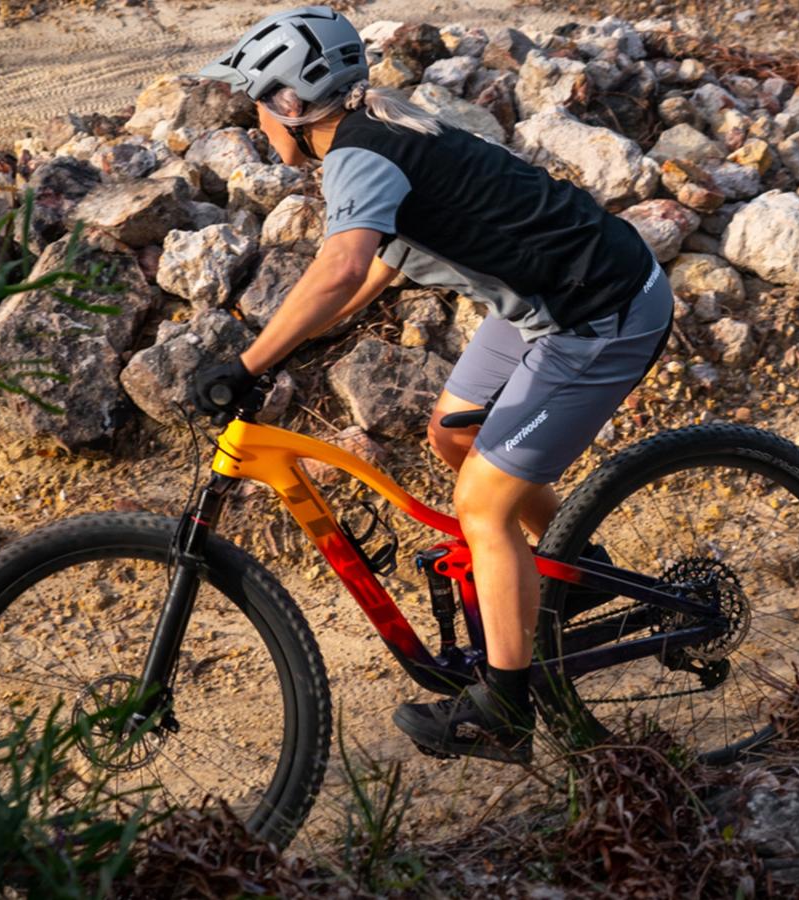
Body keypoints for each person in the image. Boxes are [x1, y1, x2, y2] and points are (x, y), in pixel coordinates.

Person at [191, 6, 674, 763]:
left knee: (482, 503)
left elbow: (342, 268)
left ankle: (504, 711)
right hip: (547, 300)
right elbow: (374, 272)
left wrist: (248, 364)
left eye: (257, 102)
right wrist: (283, 349)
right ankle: (579, 574)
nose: (255, 121)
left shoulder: (361, 152)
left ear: (290, 102)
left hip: (599, 311)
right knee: (455, 434)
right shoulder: (377, 130)